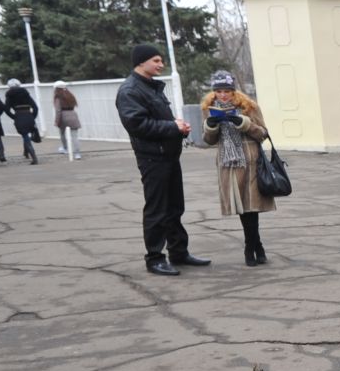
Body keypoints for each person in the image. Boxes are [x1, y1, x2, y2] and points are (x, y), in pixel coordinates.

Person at [115, 44, 206, 276]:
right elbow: (137, 125)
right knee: (157, 209)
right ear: (141, 62)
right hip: (152, 158)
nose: (160, 64)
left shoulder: (152, 88)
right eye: (156, 60)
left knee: (175, 206)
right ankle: (155, 258)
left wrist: (178, 128)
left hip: (169, 155)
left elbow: (156, 119)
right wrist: (171, 127)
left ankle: (179, 252)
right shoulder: (130, 90)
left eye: (161, 60)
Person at [199, 70, 275, 265]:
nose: (223, 95)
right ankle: (256, 245)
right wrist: (211, 126)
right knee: (242, 207)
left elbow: (263, 134)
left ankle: (251, 247)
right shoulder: (209, 108)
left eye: (227, 91)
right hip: (228, 164)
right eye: (219, 91)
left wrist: (245, 124)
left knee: (252, 207)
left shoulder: (249, 107)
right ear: (214, 92)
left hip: (250, 162)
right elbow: (209, 140)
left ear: (234, 91)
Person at [4, 79, 40, 164]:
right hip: (28, 114)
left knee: (25, 135)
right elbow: (35, 108)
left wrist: (14, 117)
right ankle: (26, 152)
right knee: (27, 133)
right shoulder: (26, 94)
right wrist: (32, 117)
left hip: (19, 115)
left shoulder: (9, 96)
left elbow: (6, 109)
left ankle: (33, 156)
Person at [51, 82, 82, 160]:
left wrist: (56, 121)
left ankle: (65, 148)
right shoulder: (70, 95)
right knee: (74, 136)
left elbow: (58, 110)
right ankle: (77, 154)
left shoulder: (58, 97)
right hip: (73, 114)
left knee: (62, 133)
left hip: (63, 116)